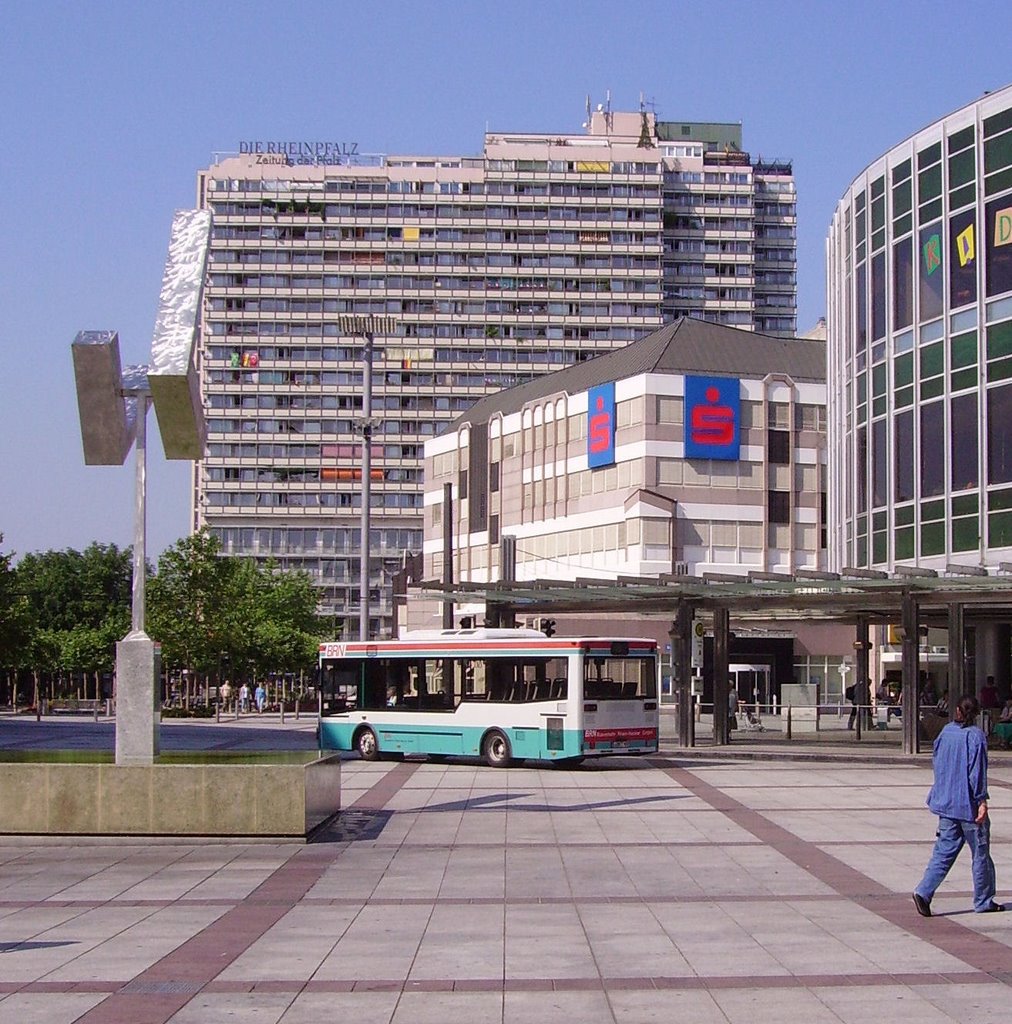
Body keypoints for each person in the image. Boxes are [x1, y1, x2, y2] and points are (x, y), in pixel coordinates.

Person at [912, 694, 1003, 916]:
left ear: (957, 711)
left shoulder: (946, 732)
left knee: (944, 850)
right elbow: (976, 773)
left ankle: (924, 891)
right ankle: (983, 900)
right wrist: (981, 800)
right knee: (980, 853)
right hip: (968, 805)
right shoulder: (975, 736)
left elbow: (937, 762)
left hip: (947, 802)